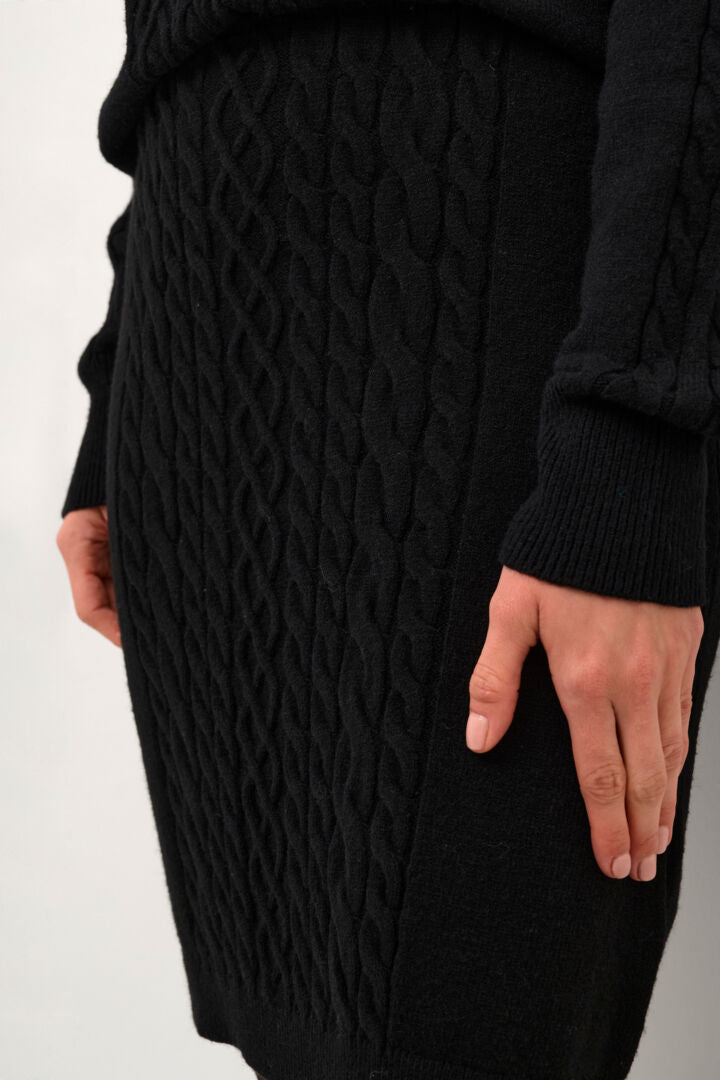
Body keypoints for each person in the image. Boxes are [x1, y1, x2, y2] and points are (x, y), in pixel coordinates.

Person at [56, 1, 720, 1077]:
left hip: (503, 283)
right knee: (289, 1031)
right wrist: (116, 379)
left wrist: (635, 424)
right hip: (198, 341)